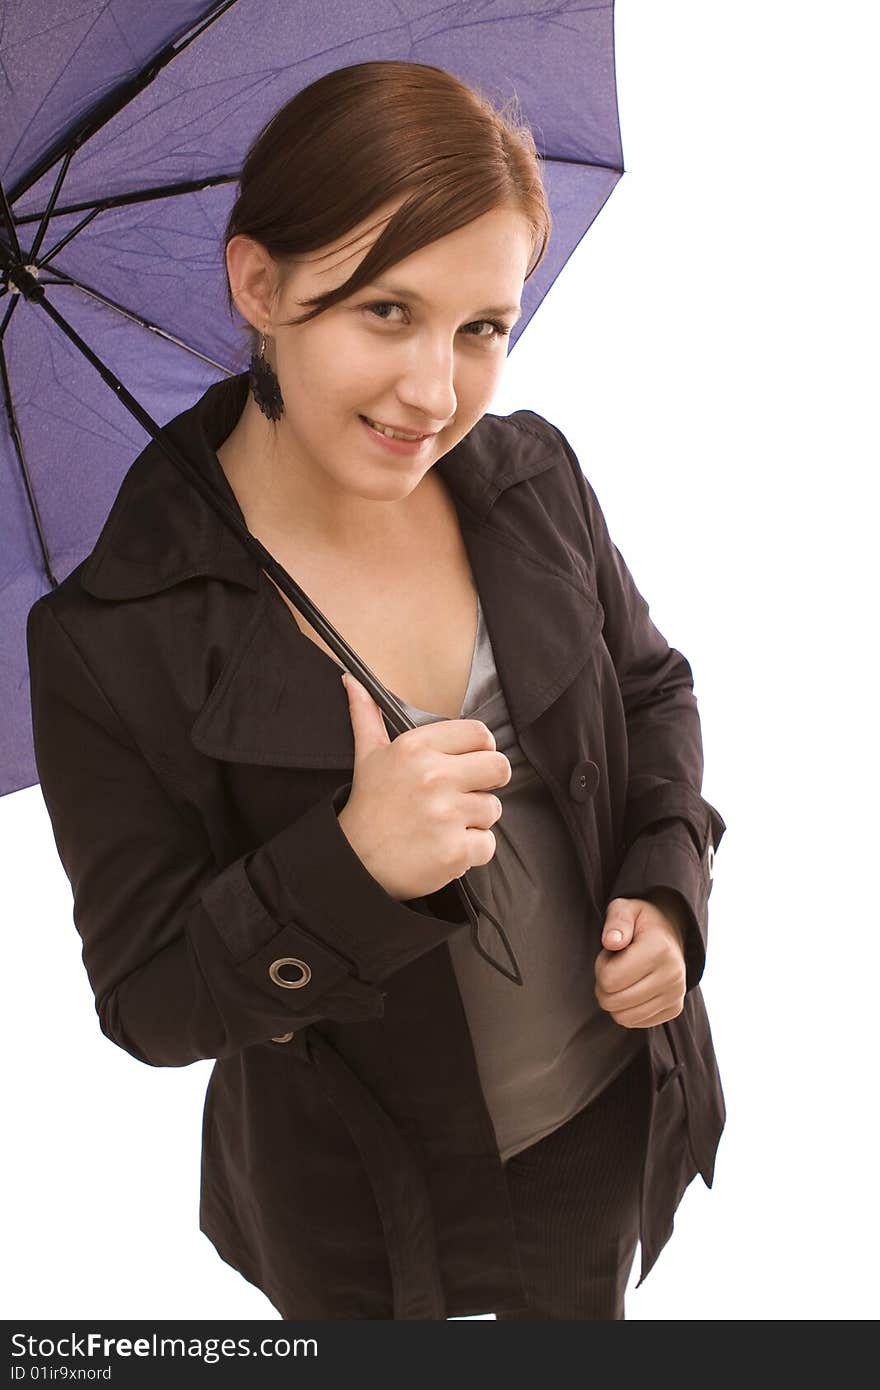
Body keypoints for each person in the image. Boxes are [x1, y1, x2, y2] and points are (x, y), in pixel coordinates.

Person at [26, 60, 726, 1321]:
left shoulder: (530, 476)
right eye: (385, 312)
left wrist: (664, 894)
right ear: (261, 286)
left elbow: (650, 694)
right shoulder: (106, 638)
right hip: (363, 1212)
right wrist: (352, 865)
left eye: (481, 327)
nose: (434, 391)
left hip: (597, 1125)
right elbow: (148, 997)